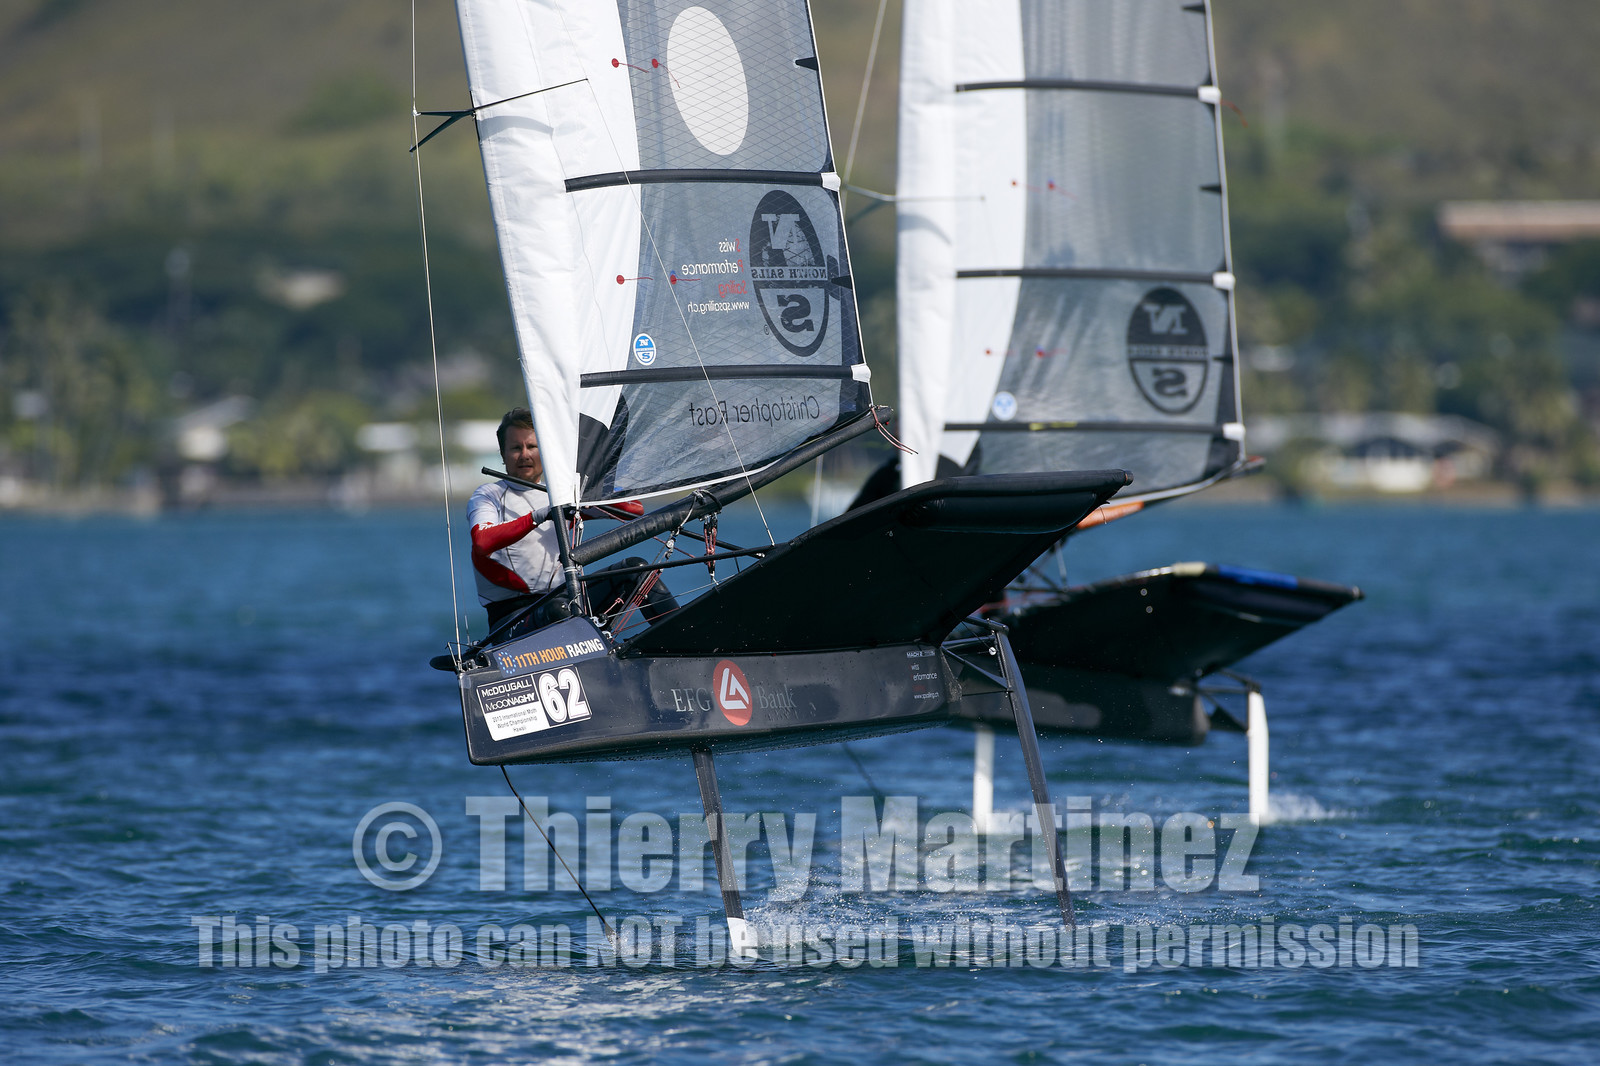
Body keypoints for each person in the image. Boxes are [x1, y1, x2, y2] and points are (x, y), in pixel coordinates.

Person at [469, 408, 678, 635]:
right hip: (510, 620)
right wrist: (539, 516)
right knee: (560, 609)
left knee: (638, 571)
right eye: (516, 448)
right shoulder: (488, 494)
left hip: (565, 603)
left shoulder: (560, 495)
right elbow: (482, 541)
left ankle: (681, 640)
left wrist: (583, 485)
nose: (525, 455)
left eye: (532, 446)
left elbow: (633, 509)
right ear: (503, 454)